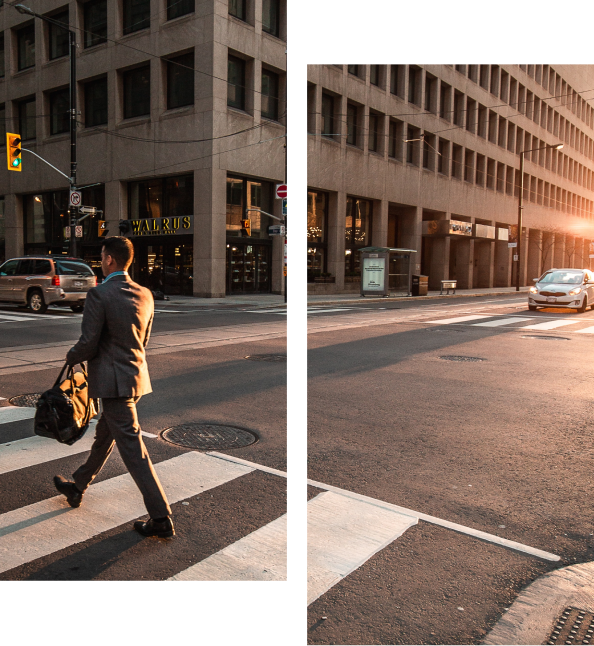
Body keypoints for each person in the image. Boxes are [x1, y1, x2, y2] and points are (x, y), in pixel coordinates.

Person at [53, 236, 174, 538]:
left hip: (112, 382)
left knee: (134, 450)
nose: (101, 260)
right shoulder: (145, 293)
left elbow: (89, 343)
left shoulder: (100, 294)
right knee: (105, 436)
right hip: (135, 378)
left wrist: (72, 356)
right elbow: (142, 341)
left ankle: (161, 517)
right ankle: (78, 486)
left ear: (109, 259)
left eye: (102, 256)